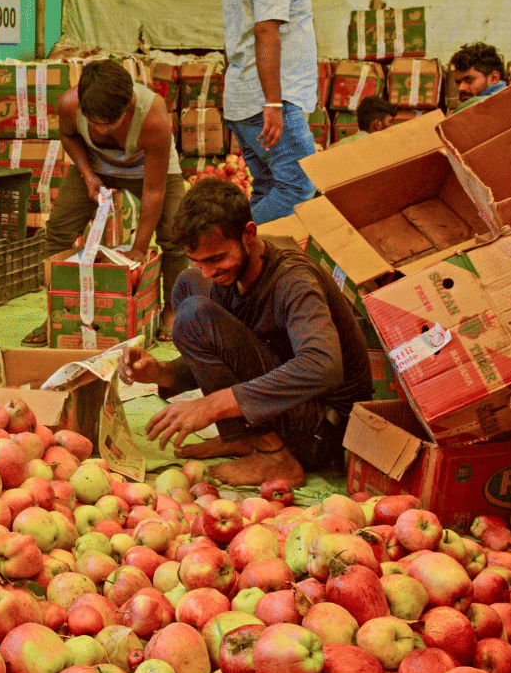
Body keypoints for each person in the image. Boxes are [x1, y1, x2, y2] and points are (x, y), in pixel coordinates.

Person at [118, 179, 372, 486]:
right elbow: (226, 358)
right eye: (199, 261)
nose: (209, 272)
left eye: (217, 259)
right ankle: (245, 437)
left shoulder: (294, 281)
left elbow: (323, 366)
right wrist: (161, 372)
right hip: (284, 406)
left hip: (322, 430)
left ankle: (275, 457)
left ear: (249, 235)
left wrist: (215, 404)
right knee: (188, 285)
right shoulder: (228, 276)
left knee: (194, 315)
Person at [21, 59, 187, 344]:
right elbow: (68, 135)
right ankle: (58, 312)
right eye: (93, 123)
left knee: (175, 232)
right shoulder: (69, 104)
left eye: (110, 124)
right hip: (95, 165)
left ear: (128, 108)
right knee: (59, 229)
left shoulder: (153, 117)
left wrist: (139, 247)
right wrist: (87, 174)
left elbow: (154, 189)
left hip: (148, 170)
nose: (100, 131)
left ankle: (172, 309)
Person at [220, 0, 319, 225]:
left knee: (269, 186)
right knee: (299, 189)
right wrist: (273, 102)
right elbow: (265, 29)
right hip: (270, 97)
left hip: (248, 94)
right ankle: (229, 243)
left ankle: (247, 257)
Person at [450, 42, 507, 111]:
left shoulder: (468, 107)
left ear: (494, 78)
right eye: (459, 82)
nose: (461, 88)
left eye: (469, 80)